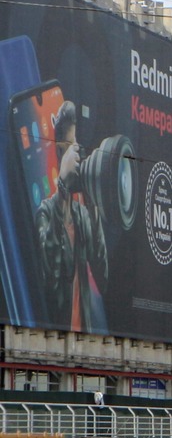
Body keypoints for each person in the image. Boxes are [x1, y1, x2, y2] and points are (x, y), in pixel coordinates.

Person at [35, 100, 108, 333]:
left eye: (79, 147)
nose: (76, 155)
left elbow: (102, 277)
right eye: (70, 146)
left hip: (85, 340)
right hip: (52, 341)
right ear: (58, 150)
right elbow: (50, 281)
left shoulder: (83, 214)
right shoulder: (46, 211)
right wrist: (63, 188)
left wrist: (93, 196)